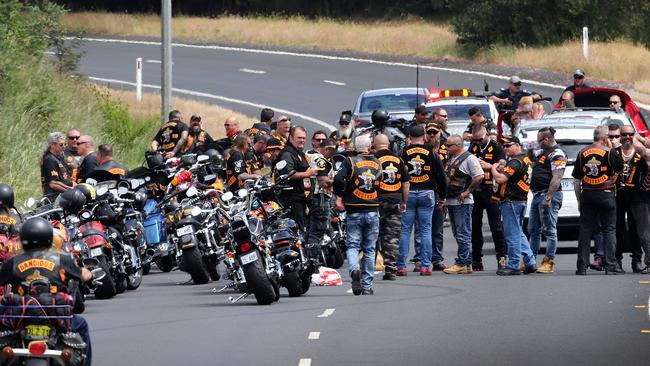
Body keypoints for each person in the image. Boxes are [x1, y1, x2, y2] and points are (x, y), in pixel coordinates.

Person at [0, 217, 93, 364]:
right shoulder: (63, 260)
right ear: (50, 238)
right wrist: (90, 274)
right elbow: (83, 274)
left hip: (20, 317)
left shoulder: (12, 262)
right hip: (55, 316)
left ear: (23, 239)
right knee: (81, 325)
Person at [333, 134, 382, 295]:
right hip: (372, 209)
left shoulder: (350, 161)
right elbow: (380, 183)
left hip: (354, 209)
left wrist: (340, 195)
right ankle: (367, 286)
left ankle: (354, 270)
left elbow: (338, 179)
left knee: (353, 246)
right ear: (370, 147)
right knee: (369, 249)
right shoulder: (377, 162)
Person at [396, 125, 447, 276]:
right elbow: (441, 176)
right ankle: (426, 266)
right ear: (424, 136)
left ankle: (401, 266)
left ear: (409, 137)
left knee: (405, 230)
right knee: (426, 230)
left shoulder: (403, 152)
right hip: (427, 193)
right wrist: (443, 197)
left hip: (408, 194)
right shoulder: (431, 152)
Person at [573, 125, 624, 275]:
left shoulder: (582, 152)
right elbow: (621, 167)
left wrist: (579, 199)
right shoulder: (610, 152)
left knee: (585, 230)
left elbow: (577, 179)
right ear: (604, 138)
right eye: (608, 137)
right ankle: (610, 265)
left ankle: (581, 267)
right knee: (609, 229)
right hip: (606, 193)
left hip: (588, 193)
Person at [491, 136, 537, 275]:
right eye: (504, 146)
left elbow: (500, 178)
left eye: (508, 145)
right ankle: (530, 262)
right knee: (518, 232)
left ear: (517, 145)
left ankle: (513, 264)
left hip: (512, 201)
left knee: (512, 235)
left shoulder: (515, 162)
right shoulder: (526, 159)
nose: (505, 148)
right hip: (520, 200)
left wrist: (493, 168)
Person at [443, 135, 484, 274]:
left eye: (449, 146)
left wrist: (467, 191)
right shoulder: (451, 159)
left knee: (463, 232)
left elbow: (479, 176)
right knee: (457, 233)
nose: (446, 148)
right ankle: (466, 262)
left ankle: (462, 261)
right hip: (451, 200)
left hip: (463, 202)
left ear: (458, 145)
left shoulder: (469, 158)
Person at [528, 127, 567, 273]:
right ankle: (530, 260)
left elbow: (557, 177)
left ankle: (548, 261)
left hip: (549, 195)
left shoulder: (557, 154)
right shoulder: (541, 153)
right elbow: (533, 160)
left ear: (546, 139)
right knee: (533, 230)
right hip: (537, 195)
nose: (538, 144)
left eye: (539, 141)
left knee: (549, 230)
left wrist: (549, 197)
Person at [468, 126, 507, 271]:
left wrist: (488, 166)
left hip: (492, 190)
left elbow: (503, 166)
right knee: (475, 226)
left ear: (487, 135)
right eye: (475, 140)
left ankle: (502, 258)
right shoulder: (472, 148)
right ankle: (476, 259)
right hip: (476, 190)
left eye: (480, 139)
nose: (478, 142)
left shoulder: (497, 147)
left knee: (496, 226)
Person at [614, 124, 650, 273]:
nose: (627, 137)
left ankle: (637, 261)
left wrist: (639, 141)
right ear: (620, 136)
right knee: (617, 230)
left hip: (638, 197)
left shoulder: (641, 153)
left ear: (633, 136)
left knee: (640, 231)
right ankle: (616, 262)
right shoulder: (614, 152)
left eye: (630, 134)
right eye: (624, 134)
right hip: (617, 196)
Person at [374, 134, 409, 280]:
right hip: (395, 201)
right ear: (388, 144)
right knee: (392, 238)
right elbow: (406, 184)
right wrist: (404, 201)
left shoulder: (373, 160)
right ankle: (391, 270)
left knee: (372, 235)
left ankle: (368, 268)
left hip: (376, 202)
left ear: (374, 145)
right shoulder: (399, 160)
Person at [276, 126, 316, 231]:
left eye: (303, 138)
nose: (302, 140)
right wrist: (307, 174)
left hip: (302, 200)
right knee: (296, 229)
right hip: (292, 200)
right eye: (299, 138)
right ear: (291, 138)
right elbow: (289, 174)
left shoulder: (299, 153)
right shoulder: (287, 154)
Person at [304, 138, 337, 264]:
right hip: (320, 199)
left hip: (309, 198)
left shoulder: (309, 156)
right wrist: (339, 182)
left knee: (309, 231)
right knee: (317, 233)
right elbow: (323, 181)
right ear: (326, 149)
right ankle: (313, 263)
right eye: (332, 151)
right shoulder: (320, 160)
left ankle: (306, 261)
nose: (333, 155)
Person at [425, 122, 447, 270]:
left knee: (437, 228)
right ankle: (421, 258)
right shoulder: (422, 150)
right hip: (425, 192)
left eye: (435, 132)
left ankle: (437, 258)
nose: (432, 135)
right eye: (430, 132)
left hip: (441, 191)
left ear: (440, 132)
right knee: (423, 228)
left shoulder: (447, 149)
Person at [41, 132, 75, 201]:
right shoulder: (49, 159)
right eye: (61, 145)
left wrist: (78, 187)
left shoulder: (59, 158)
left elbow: (67, 178)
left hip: (63, 197)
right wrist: (70, 190)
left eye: (65, 144)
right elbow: (53, 184)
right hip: (55, 199)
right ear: (52, 145)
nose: (64, 147)